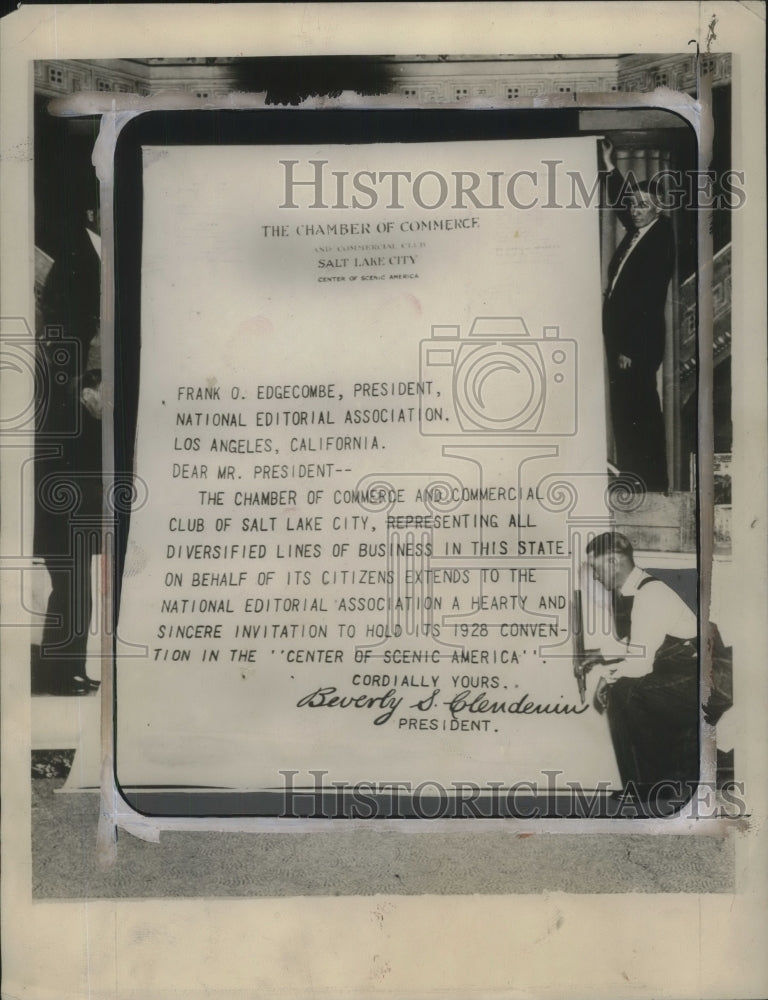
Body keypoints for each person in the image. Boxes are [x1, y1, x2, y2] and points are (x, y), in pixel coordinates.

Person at [33, 198, 102, 695]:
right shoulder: (77, 254)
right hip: (71, 428)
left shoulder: (97, 251)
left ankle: (65, 660)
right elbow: (58, 335)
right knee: (71, 552)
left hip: (90, 427)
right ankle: (62, 665)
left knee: (81, 551)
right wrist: (81, 388)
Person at [580, 531, 699, 799]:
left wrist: (607, 677)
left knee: (624, 690)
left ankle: (651, 785)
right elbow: (641, 643)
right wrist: (598, 654)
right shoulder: (639, 588)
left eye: (596, 568)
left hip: (695, 677)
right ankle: (652, 780)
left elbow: (640, 663)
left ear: (613, 562)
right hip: (677, 669)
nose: (595, 576)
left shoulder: (649, 595)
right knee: (625, 688)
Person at [600, 138, 674, 493]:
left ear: (659, 209)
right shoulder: (640, 232)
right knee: (628, 415)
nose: (635, 209)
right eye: (634, 203)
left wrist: (630, 347)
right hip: (625, 344)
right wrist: (611, 167)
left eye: (644, 205)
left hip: (636, 347)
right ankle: (637, 482)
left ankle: (649, 485)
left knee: (639, 415)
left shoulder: (660, 236)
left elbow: (647, 298)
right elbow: (620, 207)